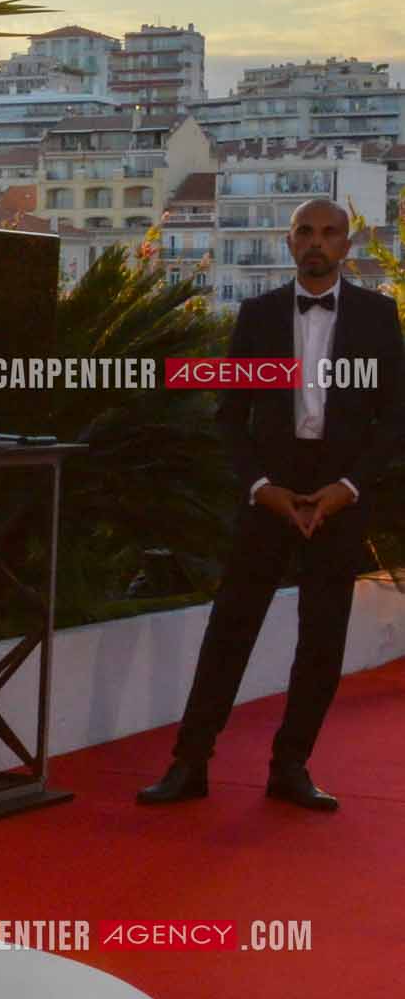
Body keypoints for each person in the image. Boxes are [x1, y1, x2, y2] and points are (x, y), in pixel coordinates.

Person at [138, 197, 404, 812]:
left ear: (347, 245)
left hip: (341, 495)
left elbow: (393, 421)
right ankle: (190, 762)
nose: (316, 242)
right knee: (229, 628)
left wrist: (347, 489)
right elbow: (231, 415)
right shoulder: (257, 316)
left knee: (322, 638)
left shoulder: (376, 317)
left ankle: (291, 765)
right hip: (270, 494)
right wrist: (261, 487)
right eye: (305, 232)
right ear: (288, 243)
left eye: (329, 233)